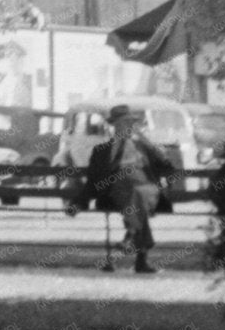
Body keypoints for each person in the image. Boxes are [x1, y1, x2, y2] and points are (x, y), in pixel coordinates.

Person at [65, 103, 174, 273]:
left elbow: (167, 167)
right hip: (120, 192)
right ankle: (136, 249)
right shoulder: (101, 151)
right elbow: (93, 182)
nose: (129, 126)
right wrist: (79, 202)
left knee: (136, 193)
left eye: (131, 123)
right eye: (124, 123)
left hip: (147, 189)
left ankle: (132, 234)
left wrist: (148, 143)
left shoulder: (143, 146)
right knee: (132, 192)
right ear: (115, 125)